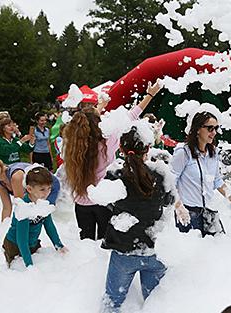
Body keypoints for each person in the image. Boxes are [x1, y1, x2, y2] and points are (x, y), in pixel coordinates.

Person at [63, 81, 161, 240]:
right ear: (99, 125)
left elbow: (86, 121)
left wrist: (100, 106)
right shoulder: (106, 144)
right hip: (104, 202)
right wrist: (150, 95)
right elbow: (130, 116)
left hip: (81, 203)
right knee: (105, 243)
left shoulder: (71, 145)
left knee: (86, 244)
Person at [100, 127, 173, 312]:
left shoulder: (115, 176)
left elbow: (106, 202)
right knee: (156, 305)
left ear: (121, 150)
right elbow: (169, 201)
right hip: (153, 250)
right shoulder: (161, 175)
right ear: (147, 149)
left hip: (124, 251)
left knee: (112, 304)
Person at [171, 111, 231, 237]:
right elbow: (170, 183)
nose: (214, 132)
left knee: (219, 248)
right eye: (210, 128)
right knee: (193, 253)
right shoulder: (183, 153)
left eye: (216, 128)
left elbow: (217, 181)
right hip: (187, 212)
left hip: (209, 211)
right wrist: (178, 206)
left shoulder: (213, 153)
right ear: (197, 129)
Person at [2, 165, 67, 267]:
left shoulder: (43, 203)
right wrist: (29, 266)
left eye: (49, 188)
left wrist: (59, 245)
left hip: (32, 242)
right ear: (29, 189)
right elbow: (21, 240)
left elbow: (49, 226)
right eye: (42, 189)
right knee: (19, 273)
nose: (47, 193)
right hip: (15, 245)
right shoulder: (24, 208)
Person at [0, 156, 60, 221]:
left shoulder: (16, 176)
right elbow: (6, 208)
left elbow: (21, 205)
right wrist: (3, 228)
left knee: (42, 214)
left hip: (49, 186)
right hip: (35, 191)